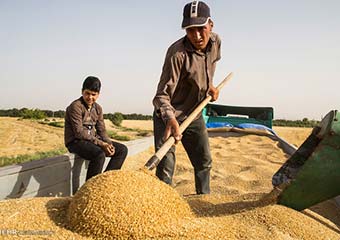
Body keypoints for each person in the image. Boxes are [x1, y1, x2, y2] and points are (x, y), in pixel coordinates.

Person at [152, 1, 221, 194]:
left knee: (204, 161)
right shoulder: (177, 54)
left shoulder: (216, 43)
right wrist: (170, 117)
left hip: (194, 113)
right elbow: (161, 95)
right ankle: (161, 208)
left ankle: (203, 201)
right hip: (168, 117)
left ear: (211, 25)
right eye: (191, 30)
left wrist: (210, 87)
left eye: (201, 29)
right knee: (165, 168)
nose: (197, 35)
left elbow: (208, 68)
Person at [64, 76, 128, 181]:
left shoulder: (98, 108)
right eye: (87, 93)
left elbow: (101, 130)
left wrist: (108, 143)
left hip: (92, 141)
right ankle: (90, 188)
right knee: (99, 154)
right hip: (76, 142)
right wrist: (102, 144)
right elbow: (79, 133)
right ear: (82, 91)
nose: (90, 97)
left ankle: (105, 182)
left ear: (98, 94)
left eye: (93, 95)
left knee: (122, 150)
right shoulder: (75, 106)